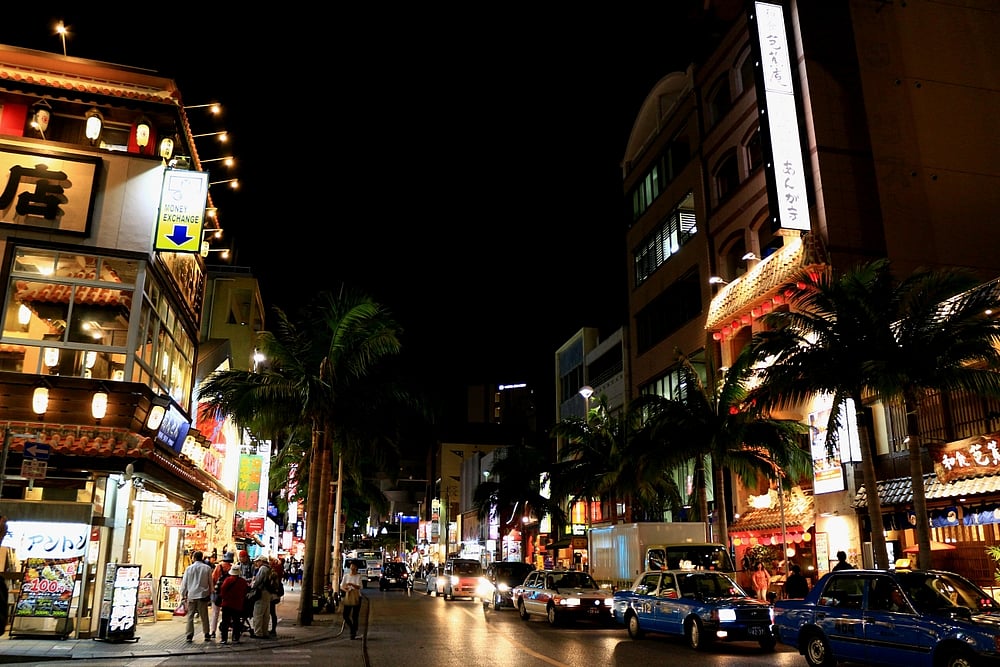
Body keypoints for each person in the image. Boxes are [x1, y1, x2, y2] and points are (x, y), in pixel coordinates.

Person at [179, 550, 214, 643]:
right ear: (202, 558)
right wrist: (211, 593)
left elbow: (184, 583)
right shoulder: (207, 568)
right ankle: (206, 634)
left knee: (190, 615)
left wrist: (183, 594)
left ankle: (189, 635)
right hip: (203, 595)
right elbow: (210, 582)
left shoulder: (189, 569)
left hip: (192, 595)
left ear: (194, 558)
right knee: (204, 615)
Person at [219, 563, 250, 644]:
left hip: (227, 604)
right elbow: (245, 592)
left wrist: (224, 598)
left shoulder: (228, 580)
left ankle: (224, 639)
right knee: (236, 622)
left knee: (225, 622)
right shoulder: (243, 582)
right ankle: (235, 638)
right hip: (238, 605)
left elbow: (222, 591)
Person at [209, 551, 233, 639]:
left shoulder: (218, 567)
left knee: (215, 614)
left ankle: (213, 631)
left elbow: (213, 578)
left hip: (217, 593)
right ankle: (225, 629)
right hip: (227, 594)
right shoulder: (231, 568)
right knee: (226, 613)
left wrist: (214, 588)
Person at [249, 555, 273, 638]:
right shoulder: (269, 568)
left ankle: (258, 632)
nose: (256, 563)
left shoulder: (263, 569)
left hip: (262, 592)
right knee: (266, 614)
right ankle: (264, 631)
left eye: (257, 561)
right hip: (268, 593)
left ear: (261, 561)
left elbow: (258, 581)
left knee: (258, 613)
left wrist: (252, 585)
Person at [341, 560, 363, 640]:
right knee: (345, 615)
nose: (352, 567)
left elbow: (360, 586)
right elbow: (342, 586)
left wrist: (351, 584)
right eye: (351, 565)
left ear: (356, 568)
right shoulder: (346, 576)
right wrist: (345, 589)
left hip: (357, 596)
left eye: (354, 566)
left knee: (355, 615)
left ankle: (353, 632)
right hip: (348, 595)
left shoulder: (358, 576)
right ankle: (352, 628)